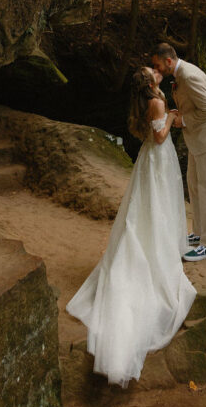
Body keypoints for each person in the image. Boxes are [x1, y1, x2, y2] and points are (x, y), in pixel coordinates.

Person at [65, 67, 195, 388]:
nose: (157, 71)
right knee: (154, 210)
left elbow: (155, 131)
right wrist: (170, 119)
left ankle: (158, 245)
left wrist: (174, 117)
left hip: (152, 158)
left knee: (153, 208)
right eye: (153, 72)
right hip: (157, 157)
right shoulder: (155, 102)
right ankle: (154, 256)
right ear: (150, 83)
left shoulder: (149, 99)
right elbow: (160, 135)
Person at [151, 43, 206, 262]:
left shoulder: (189, 75)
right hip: (198, 139)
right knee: (194, 186)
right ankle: (198, 232)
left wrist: (182, 120)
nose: (156, 70)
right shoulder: (181, 74)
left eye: (157, 65)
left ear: (168, 61)